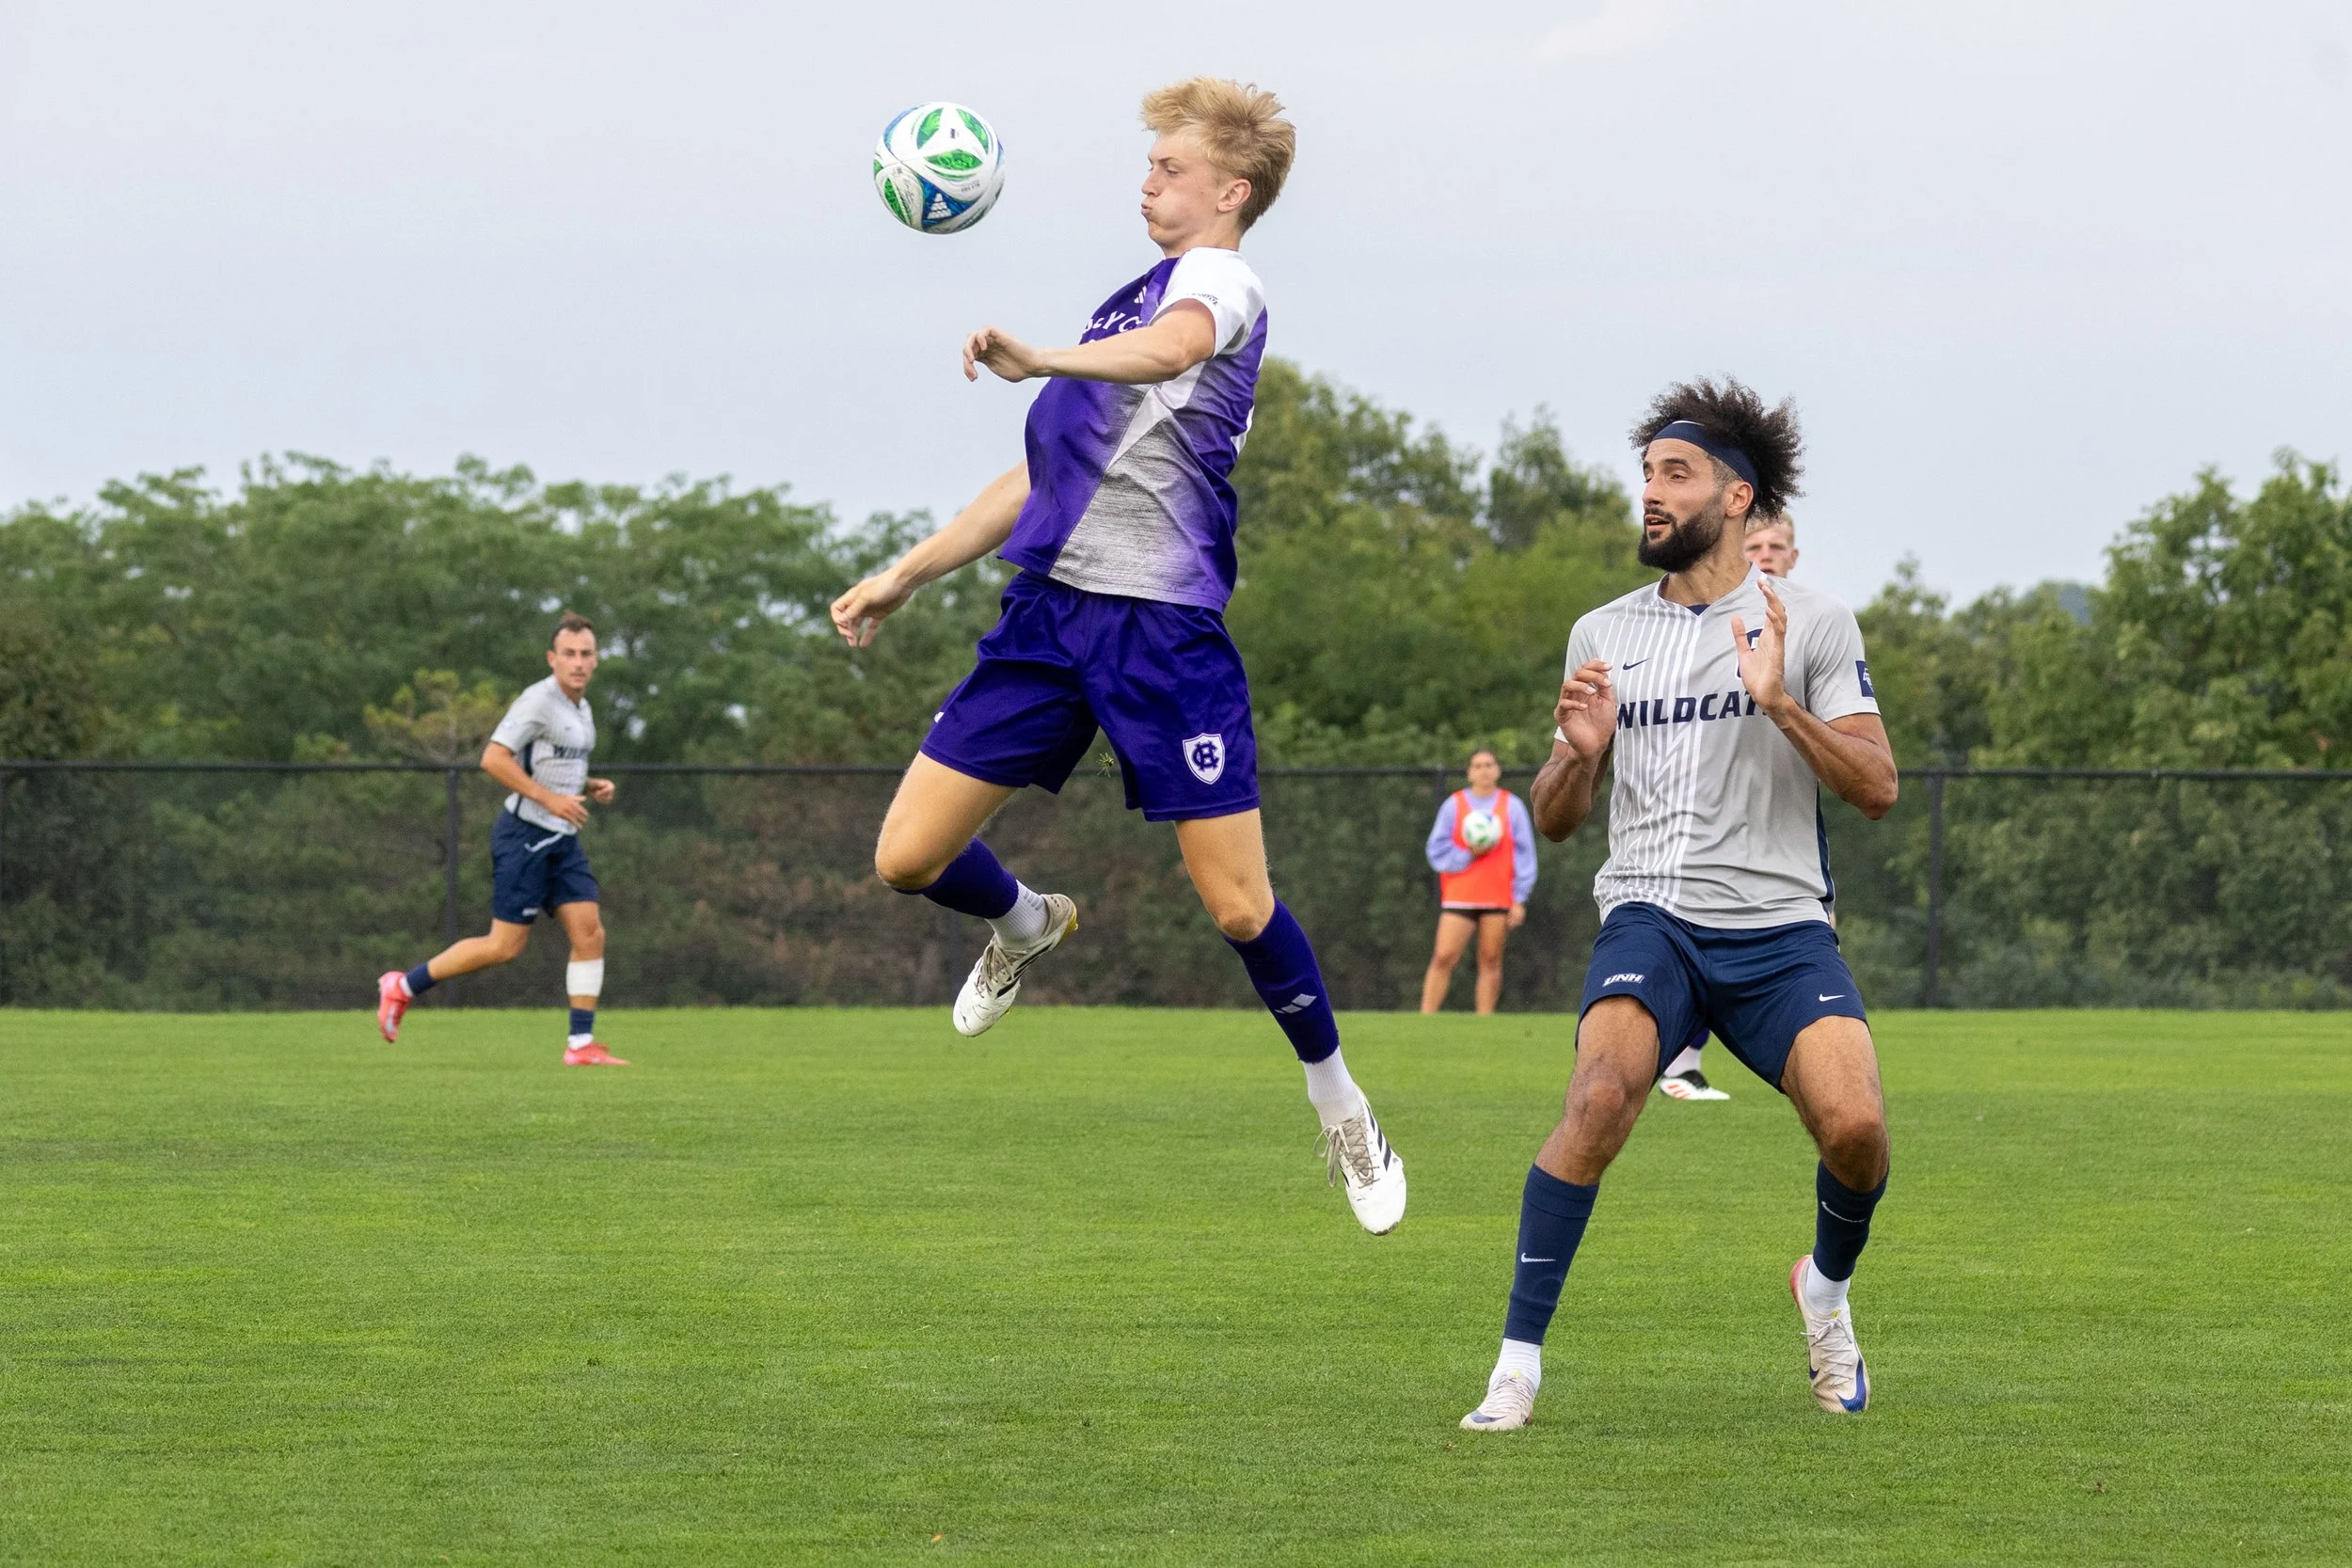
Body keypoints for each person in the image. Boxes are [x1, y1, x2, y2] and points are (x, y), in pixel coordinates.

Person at [826, 79, 1406, 1235]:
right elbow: (1042, 480)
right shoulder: (1120, 306)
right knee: (905, 856)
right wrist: (905, 571)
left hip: (1160, 634)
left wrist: (1040, 355)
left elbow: (1172, 351)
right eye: (1146, 165)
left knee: (1239, 909)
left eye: (1167, 167)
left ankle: (1337, 1099)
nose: (1145, 181)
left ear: (1229, 191)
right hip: (1049, 620)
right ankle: (1028, 922)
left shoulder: (1218, 284)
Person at [1458, 377, 1898, 1433]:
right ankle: (1515, 1365)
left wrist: (1780, 702)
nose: (1649, 493)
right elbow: (1556, 816)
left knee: (1857, 1130)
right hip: (1649, 914)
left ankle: (1824, 1290)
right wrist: (1580, 753)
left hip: (1781, 927)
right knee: (1600, 1096)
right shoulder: (1601, 633)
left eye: (1674, 473)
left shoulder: (1814, 622)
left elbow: (1877, 787)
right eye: (1646, 472)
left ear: (1737, 498)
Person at [375, 612, 628, 1067]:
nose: (577, 662)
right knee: (503, 946)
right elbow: (493, 759)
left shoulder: (581, 708)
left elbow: (551, 761)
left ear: (596, 659)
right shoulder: (538, 701)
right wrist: (550, 800)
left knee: (590, 933)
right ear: (552, 659)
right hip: (525, 836)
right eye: (568, 654)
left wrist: (588, 785)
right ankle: (403, 985)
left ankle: (580, 1045)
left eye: (585, 653)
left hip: (562, 839)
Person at [1420, 749, 1536, 1014]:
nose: (1484, 770)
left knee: (1491, 960)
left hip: (1497, 896)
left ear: (1497, 770)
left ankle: (1483, 1021)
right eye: (1478, 765)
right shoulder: (1454, 804)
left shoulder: (1512, 806)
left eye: (1489, 764)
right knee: (1443, 957)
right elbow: (1436, 850)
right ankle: (1425, 1018)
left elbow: (1525, 855)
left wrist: (1519, 898)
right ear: (1469, 773)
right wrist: (1468, 854)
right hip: (1460, 896)